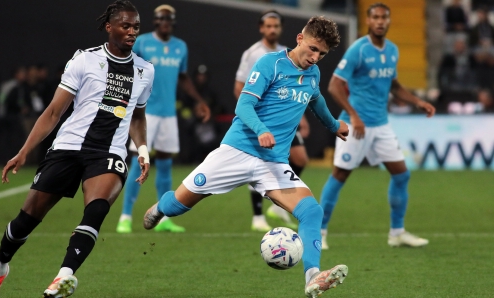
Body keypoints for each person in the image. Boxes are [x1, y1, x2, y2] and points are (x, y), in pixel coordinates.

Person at [143, 16, 349, 297]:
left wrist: (334, 125)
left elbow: (317, 101)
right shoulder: (270, 64)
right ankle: (159, 208)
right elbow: (244, 105)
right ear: (300, 38)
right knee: (180, 203)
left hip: (273, 163)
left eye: (322, 54)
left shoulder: (312, 75)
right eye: (312, 48)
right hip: (237, 152)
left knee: (311, 211)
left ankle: (312, 276)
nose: (315, 58)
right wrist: (261, 130)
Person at [0, 1, 153, 297]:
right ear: (109, 27)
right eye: (126, 26)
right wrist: (24, 151)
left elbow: (137, 116)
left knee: (96, 209)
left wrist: (143, 149)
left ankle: (63, 277)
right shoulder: (84, 61)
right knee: (26, 221)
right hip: (68, 147)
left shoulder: (144, 70)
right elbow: (53, 113)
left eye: (136, 27)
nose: (132, 32)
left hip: (109, 152)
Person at [319, 3, 436, 250]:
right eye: (376, 17)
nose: (380, 21)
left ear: (389, 21)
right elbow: (334, 86)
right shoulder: (359, 50)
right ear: (369, 21)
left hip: (381, 125)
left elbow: (393, 85)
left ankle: (397, 233)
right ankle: (319, 231)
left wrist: (418, 101)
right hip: (355, 125)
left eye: (384, 17)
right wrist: (354, 115)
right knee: (340, 175)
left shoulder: (392, 50)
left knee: (402, 174)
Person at [116, 4, 211, 234]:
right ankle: (125, 216)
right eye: (160, 19)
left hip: (168, 114)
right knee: (137, 162)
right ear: (155, 21)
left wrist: (199, 100)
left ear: (173, 22)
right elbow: (127, 68)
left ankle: (163, 217)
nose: (165, 23)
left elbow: (183, 77)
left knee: (167, 164)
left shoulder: (180, 47)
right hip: (144, 113)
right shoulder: (143, 42)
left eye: (168, 19)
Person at [234, 10, 307, 232]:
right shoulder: (253, 53)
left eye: (276, 26)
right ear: (261, 28)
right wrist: (254, 116)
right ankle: (257, 217)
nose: (272, 29)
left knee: (300, 159)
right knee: (258, 165)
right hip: (261, 121)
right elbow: (239, 87)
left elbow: (293, 90)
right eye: (269, 26)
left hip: (283, 121)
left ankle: (277, 206)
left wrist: (300, 118)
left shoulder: (287, 54)